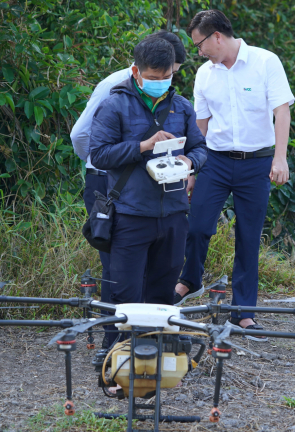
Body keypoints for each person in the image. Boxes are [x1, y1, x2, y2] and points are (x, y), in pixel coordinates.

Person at [174, 10, 294, 341]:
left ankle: (244, 312)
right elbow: (201, 124)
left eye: (199, 44)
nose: (198, 51)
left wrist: (280, 158)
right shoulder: (205, 74)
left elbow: (281, 110)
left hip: (256, 162)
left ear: (217, 37)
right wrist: (194, 168)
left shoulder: (265, 62)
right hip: (214, 160)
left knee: (248, 236)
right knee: (197, 225)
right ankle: (190, 279)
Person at [69, 31, 186, 314]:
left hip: (150, 189)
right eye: (159, 75)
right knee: (117, 270)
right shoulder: (115, 88)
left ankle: (147, 338)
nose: (165, 81)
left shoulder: (176, 102)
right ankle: (116, 340)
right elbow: (80, 135)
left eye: (170, 75)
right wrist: (105, 164)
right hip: (107, 181)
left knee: (151, 269)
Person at [89, 36, 207, 310]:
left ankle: (155, 348)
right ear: (136, 72)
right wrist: (143, 146)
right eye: (153, 77)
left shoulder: (182, 107)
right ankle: (117, 349)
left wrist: (190, 163)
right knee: (125, 294)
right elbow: (99, 155)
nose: (161, 82)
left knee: (162, 294)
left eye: (166, 77)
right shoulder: (114, 106)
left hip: (174, 215)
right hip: (130, 214)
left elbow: (201, 148)